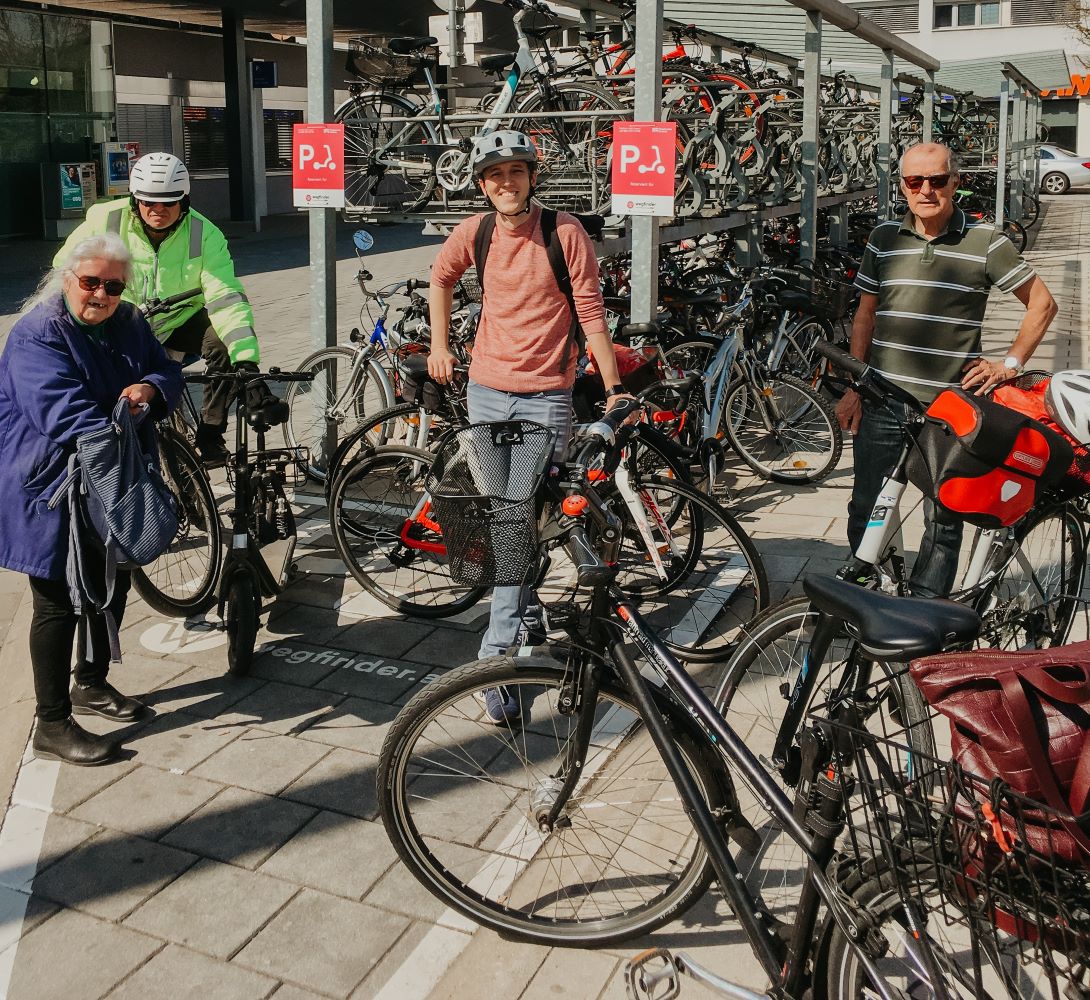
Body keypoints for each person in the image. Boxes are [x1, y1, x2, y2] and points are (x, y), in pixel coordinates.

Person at [428, 129, 632, 723]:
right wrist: (442, 346)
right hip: (488, 392)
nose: (506, 183)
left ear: (532, 178)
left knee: (523, 520)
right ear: (482, 185)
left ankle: (504, 645)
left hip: (547, 396)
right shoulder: (477, 231)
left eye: (515, 172)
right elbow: (440, 278)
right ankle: (511, 638)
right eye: (494, 176)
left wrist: (614, 387)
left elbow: (591, 312)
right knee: (509, 525)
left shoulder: (562, 231)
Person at [836, 141, 1058, 596]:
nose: (926, 191)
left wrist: (1009, 366)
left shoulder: (985, 241)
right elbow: (865, 315)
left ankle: (926, 609)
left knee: (945, 517)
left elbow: (1043, 303)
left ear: (955, 182)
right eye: (915, 181)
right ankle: (864, 597)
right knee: (867, 506)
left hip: (951, 410)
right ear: (902, 185)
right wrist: (855, 387)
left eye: (937, 180)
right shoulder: (883, 239)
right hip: (882, 402)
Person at [0, 233, 182, 765]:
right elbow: (66, 415)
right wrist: (129, 419)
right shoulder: (37, 335)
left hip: (110, 478)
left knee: (113, 576)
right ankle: (52, 724)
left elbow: (166, 370)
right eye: (90, 282)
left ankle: (92, 682)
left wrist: (149, 388)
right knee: (55, 599)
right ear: (67, 280)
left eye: (113, 286)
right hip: (48, 486)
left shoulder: (127, 322)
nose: (100, 294)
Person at [53, 152, 284, 466]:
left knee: (221, 342)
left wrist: (246, 362)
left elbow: (225, 296)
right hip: (121, 321)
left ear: (184, 201)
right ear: (135, 200)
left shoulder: (205, 234)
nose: (157, 210)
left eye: (168, 202)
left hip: (179, 321)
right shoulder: (105, 221)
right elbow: (64, 269)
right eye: (148, 202)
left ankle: (211, 433)